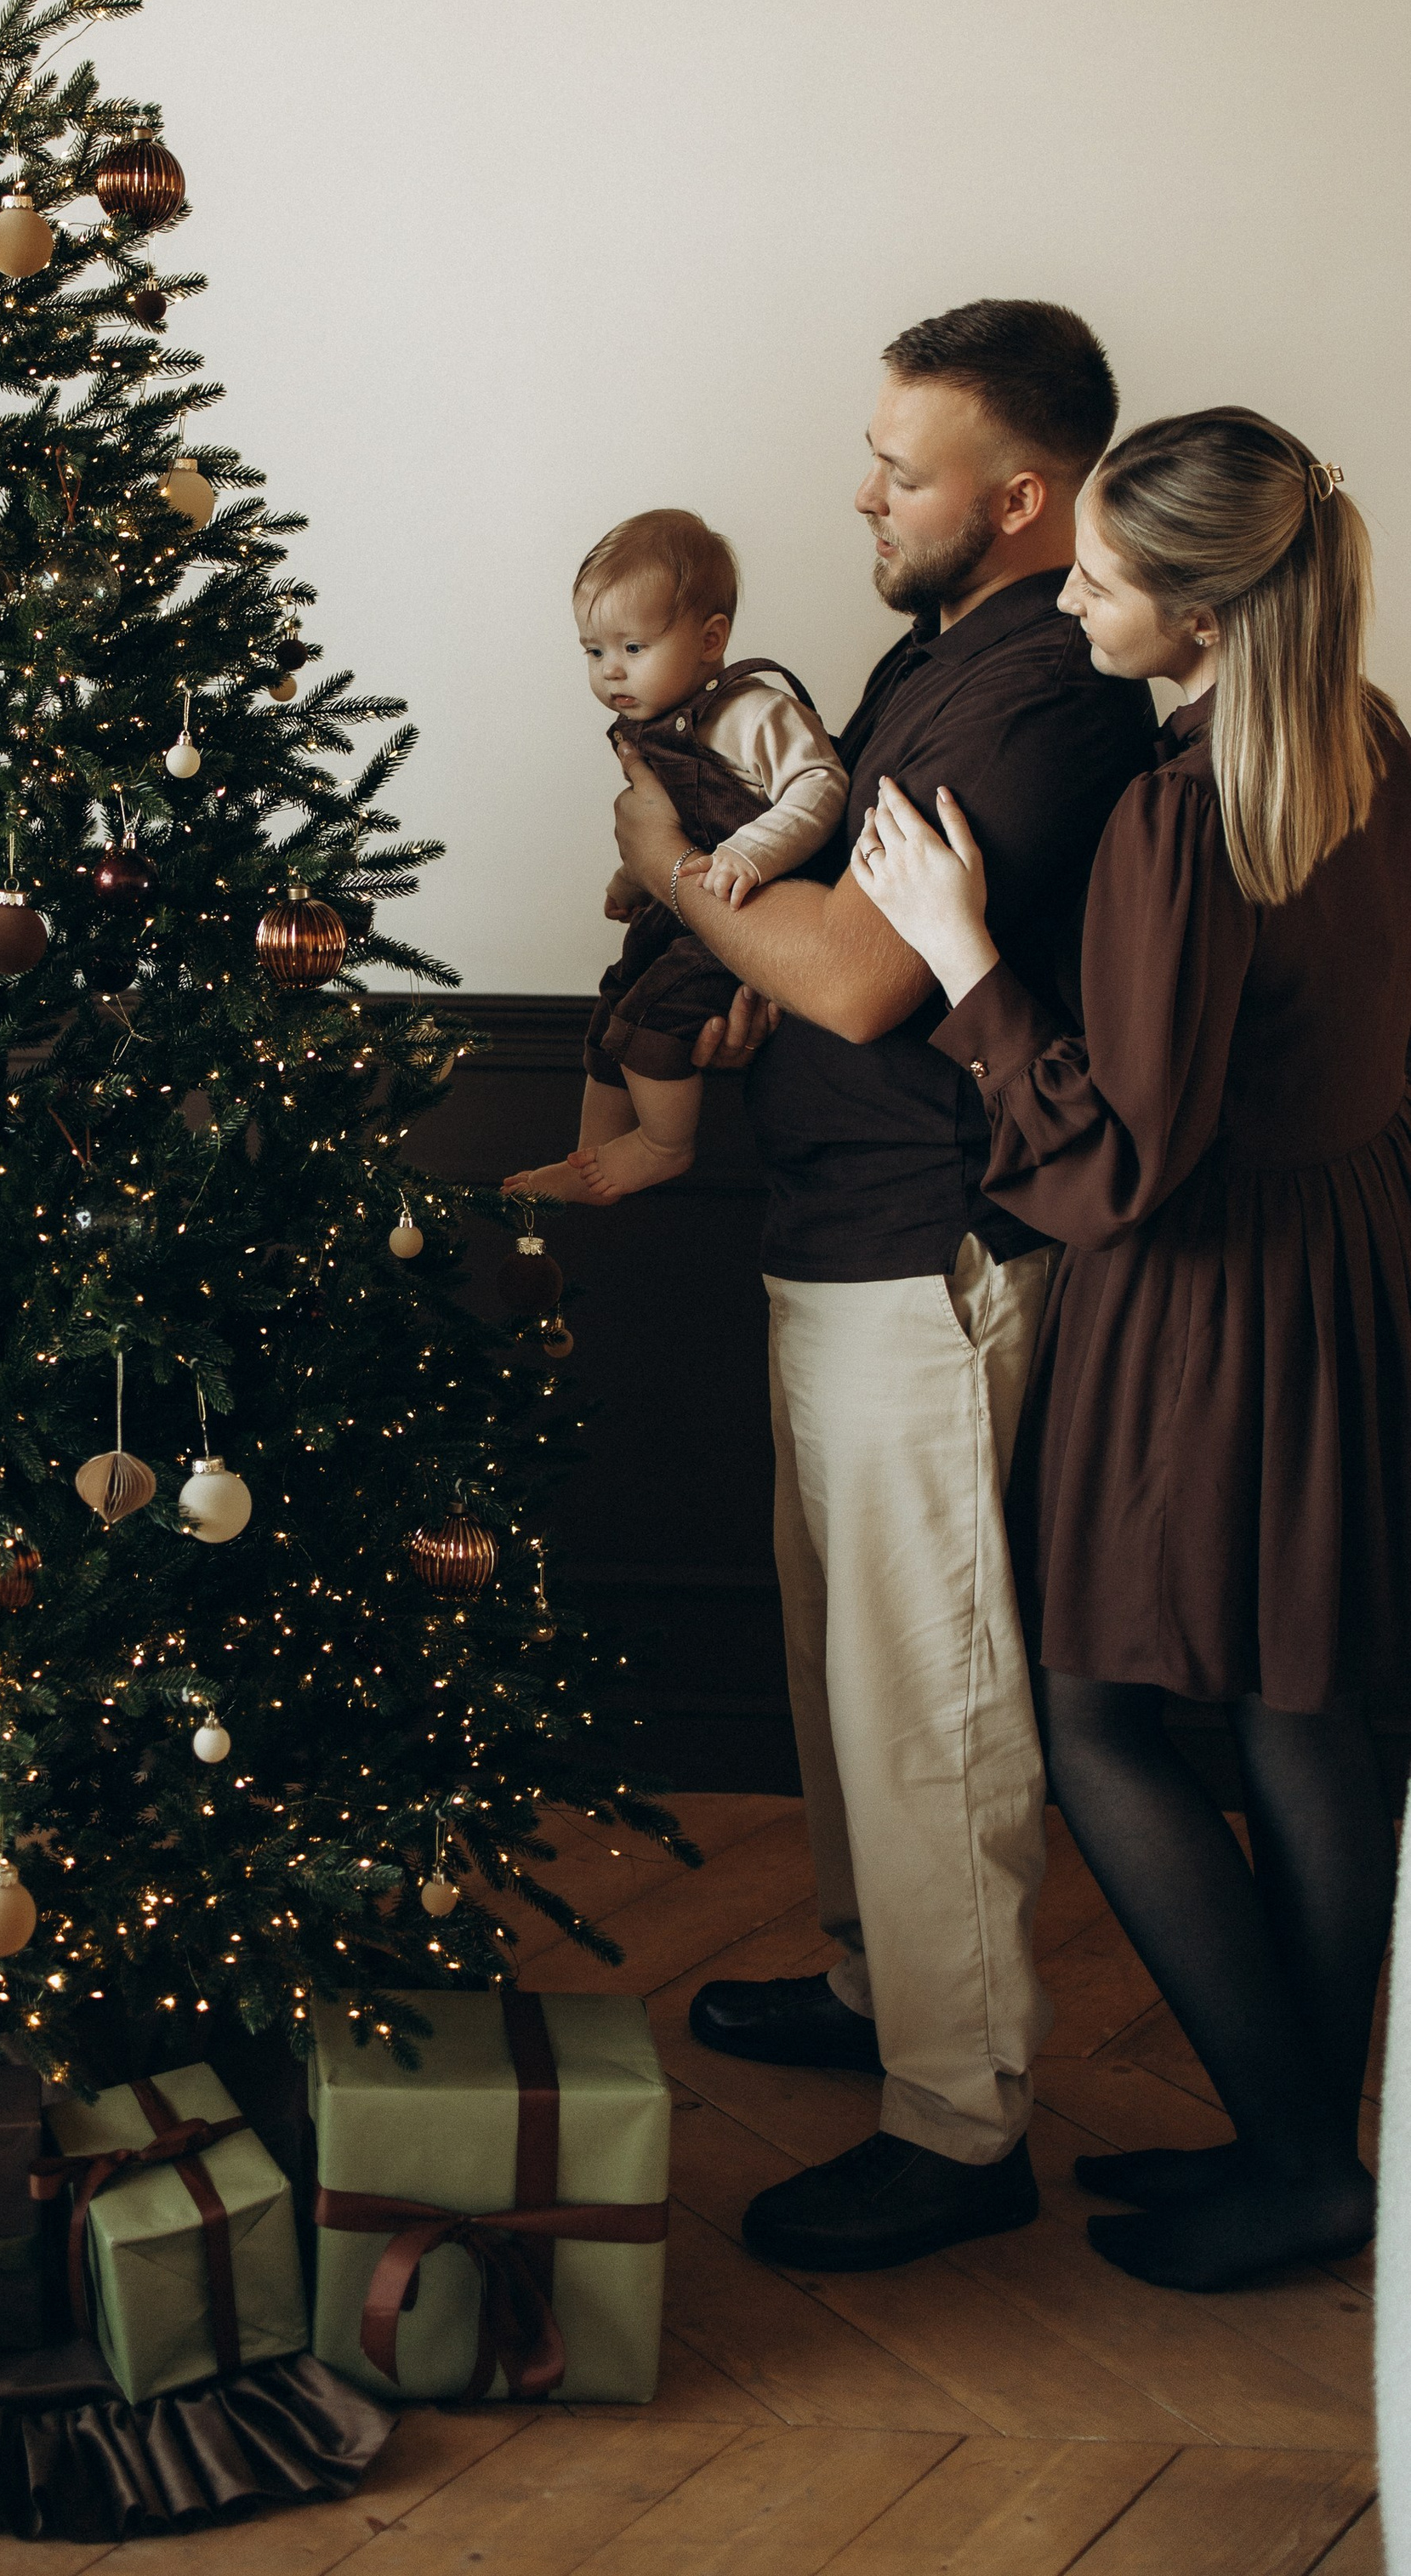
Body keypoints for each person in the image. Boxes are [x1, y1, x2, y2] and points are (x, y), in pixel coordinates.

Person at [612, 299, 1158, 2273]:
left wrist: (673, 876)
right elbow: (831, 942)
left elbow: (852, 971)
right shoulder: (939, 654)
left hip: (926, 1256)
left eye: (897, 463)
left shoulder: (1034, 695)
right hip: (826, 1227)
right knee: (834, 1664)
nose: (859, 487)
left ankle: (959, 2116)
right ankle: (870, 1992)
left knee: (921, 1692)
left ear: (1015, 496)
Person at [852, 407, 1408, 2294]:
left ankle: (1292, 2160)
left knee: (1097, 1712)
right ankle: (1305, 2152)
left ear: (1193, 613)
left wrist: (956, 953)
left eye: (1094, 577)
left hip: (1206, 1303)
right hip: (1345, 1263)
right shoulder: (1367, 743)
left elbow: (1114, 1158)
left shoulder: (1183, 815)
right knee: (1301, 1709)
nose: (1066, 600)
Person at [507, 507, 845, 1202]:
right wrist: (631, 877)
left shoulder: (754, 712)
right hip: (685, 897)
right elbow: (665, 826)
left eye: (633, 648)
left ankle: (665, 1145)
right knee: (616, 997)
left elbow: (820, 786)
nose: (610, 673)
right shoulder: (653, 728)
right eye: (593, 652)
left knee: (654, 1014)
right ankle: (590, 1157)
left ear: (710, 638)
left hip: (754, 911)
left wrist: (751, 853)